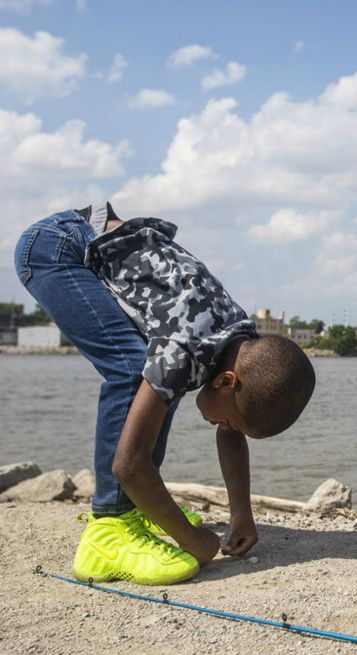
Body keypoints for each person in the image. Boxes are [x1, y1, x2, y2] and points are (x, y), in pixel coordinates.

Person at [14, 203, 316, 585]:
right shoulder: (185, 352)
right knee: (131, 370)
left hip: (86, 236)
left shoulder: (236, 340)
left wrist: (241, 512)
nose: (221, 425)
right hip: (55, 249)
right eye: (227, 419)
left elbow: (230, 432)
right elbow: (128, 464)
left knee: (158, 386)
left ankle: (135, 504)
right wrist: (190, 539)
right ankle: (109, 529)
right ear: (226, 382)